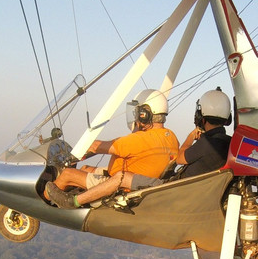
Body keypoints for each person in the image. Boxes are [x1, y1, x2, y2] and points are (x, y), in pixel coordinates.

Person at [45, 88, 178, 208]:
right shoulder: (171, 136)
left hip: (119, 186)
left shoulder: (141, 139)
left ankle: (44, 202)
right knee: (85, 168)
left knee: (67, 174)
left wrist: (74, 153)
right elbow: (133, 148)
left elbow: (95, 146)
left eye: (138, 112)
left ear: (145, 114)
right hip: (137, 179)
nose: (136, 117)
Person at [176, 88, 232, 178]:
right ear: (227, 119)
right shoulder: (230, 143)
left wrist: (190, 137)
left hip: (184, 186)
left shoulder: (206, 143)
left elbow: (179, 159)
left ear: (202, 119)